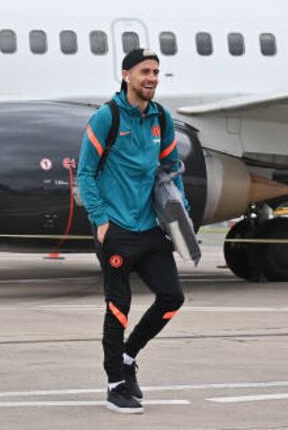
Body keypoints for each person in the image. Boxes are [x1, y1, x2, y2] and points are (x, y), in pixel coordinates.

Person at [76, 48, 188, 414]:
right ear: (126, 75)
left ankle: (128, 355)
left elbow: (171, 168)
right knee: (118, 307)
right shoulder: (105, 118)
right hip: (116, 229)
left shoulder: (161, 118)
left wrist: (179, 216)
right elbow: (85, 173)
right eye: (145, 71)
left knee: (172, 297)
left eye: (156, 71)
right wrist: (101, 220)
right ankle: (115, 384)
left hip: (149, 228)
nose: (152, 78)